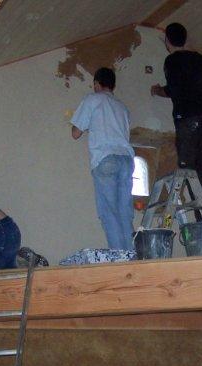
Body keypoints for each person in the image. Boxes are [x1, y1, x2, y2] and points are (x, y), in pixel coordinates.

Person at [151, 22, 202, 218]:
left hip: (187, 122)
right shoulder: (195, 58)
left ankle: (200, 221)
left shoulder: (171, 61)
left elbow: (173, 90)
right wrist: (193, 52)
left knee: (188, 172)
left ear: (167, 41)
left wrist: (157, 90)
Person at [71, 67, 136, 251]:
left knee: (109, 212)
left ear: (96, 84)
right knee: (125, 212)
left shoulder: (93, 99)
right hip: (126, 160)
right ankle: (131, 256)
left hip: (106, 159)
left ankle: (119, 260)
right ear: (112, 85)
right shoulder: (122, 107)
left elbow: (76, 133)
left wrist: (77, 124)